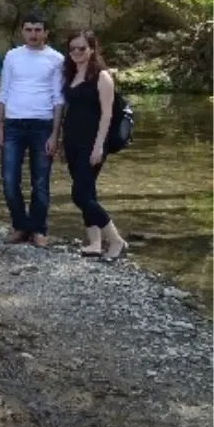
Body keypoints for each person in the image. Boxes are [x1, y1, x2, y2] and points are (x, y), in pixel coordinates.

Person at [0, 10, 65, 247]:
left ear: (46, 32)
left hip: (43, 125)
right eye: (29, 29)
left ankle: (38, 228)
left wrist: (56, 134)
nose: (33, 34)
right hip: (13, 124)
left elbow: (58, 99)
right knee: (8, 179)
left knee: (41, 181)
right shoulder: (12, 56)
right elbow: (3, 92)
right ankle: (20, 225)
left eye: (38, 30)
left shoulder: (56, 59)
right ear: (22, 31)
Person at [62, 31, 127, 260]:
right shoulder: (71, 74)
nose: (77, 53)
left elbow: (107, 115)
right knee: (88, 192)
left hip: (92, 143)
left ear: (92, 49)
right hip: (71, 141)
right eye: (73, 49)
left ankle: (117, 241)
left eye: (82, 48)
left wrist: (99, 146)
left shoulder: (102, 76)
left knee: (79, 195)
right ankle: (95, 243)